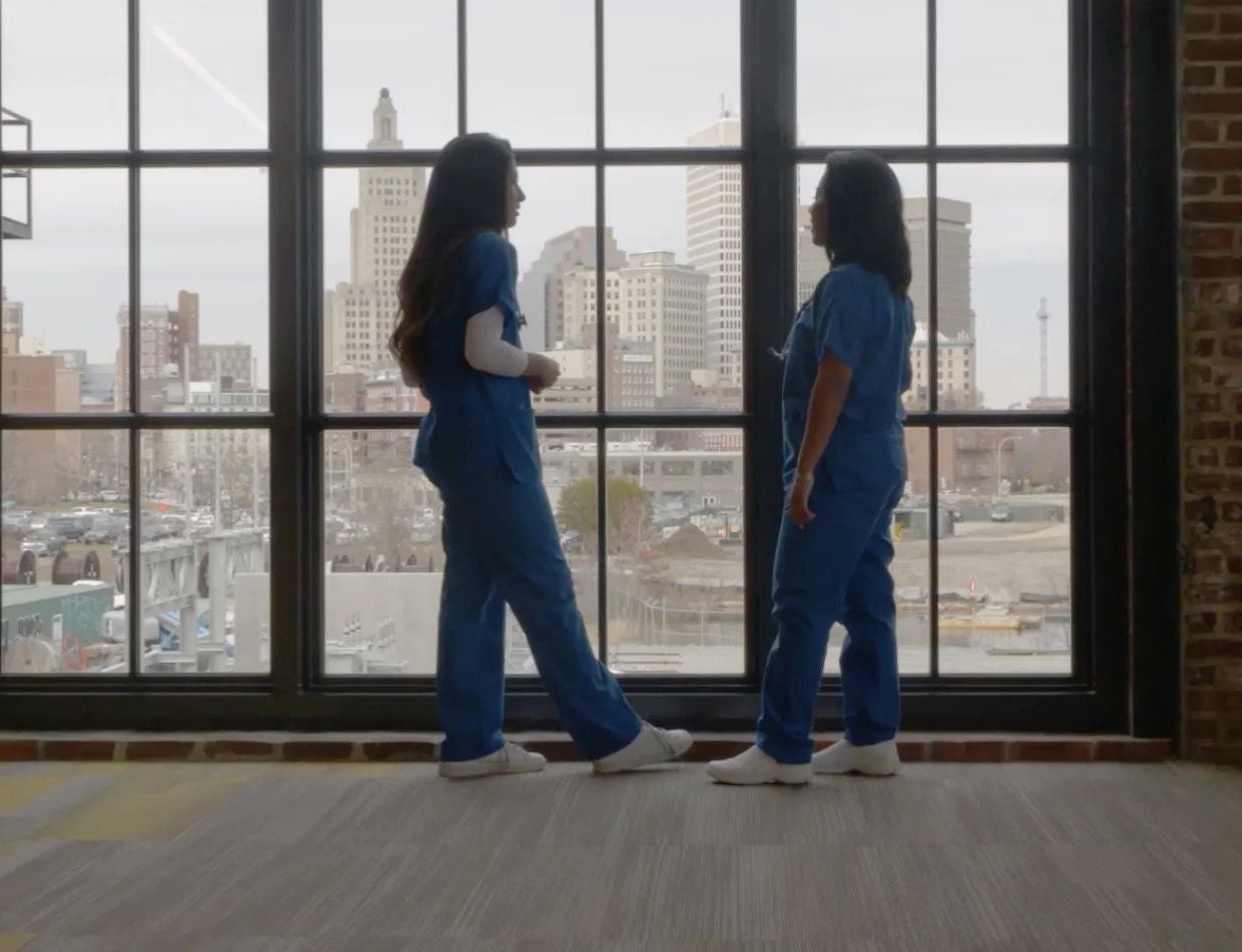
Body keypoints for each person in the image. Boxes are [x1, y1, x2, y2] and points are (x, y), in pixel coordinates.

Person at [391, 132, 692, 780]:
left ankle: (471, 743)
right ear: (484, 187)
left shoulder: (434, 262)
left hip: (454, 446)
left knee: (471, 596)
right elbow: (482, 348)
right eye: (512, 180)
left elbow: (433, 364)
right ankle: (611, 735)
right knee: (546, 590)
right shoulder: (490, 250)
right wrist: (539, 364)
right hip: (496, 451)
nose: (521, 194)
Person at [709, 151, 915, 787]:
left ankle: (782, 747)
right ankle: (872, 738)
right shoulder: (891, 291)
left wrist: (803, 473)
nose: (811, 206)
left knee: (800, 603)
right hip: (878, 461)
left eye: (822, 193)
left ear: (847, 208)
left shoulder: (846, 285)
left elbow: (834, 378)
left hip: (839, 468)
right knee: (865, 599)